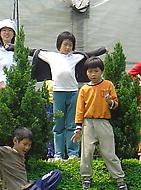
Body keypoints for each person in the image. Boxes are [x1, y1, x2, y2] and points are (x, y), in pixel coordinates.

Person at [30, 31, 106, 161]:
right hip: (58, 92)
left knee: (72, 124)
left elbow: (89, 54)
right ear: (59, 44)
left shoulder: (75, 57)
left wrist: (102, 50)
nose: (67, 47)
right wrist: (13, 47)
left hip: (73, 92)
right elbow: (33, 51)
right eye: (65, 44)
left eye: (70, 45)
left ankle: (73, 153)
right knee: (58, 125)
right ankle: (58, 154)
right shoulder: (51, 56)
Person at [72, 57, 129, 190]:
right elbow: (80, 109)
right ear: (86, 73)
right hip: (88, 123)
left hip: (103, 122)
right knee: (87, 151)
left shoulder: (108, 85)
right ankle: (86, 177)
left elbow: (115, 104)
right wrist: (78, 127)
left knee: (108, 152)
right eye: (90, 71)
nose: (93, 74)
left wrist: (110, 101)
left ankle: (120, 180)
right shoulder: (84, 89)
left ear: (101, 71)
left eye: (96, 71)